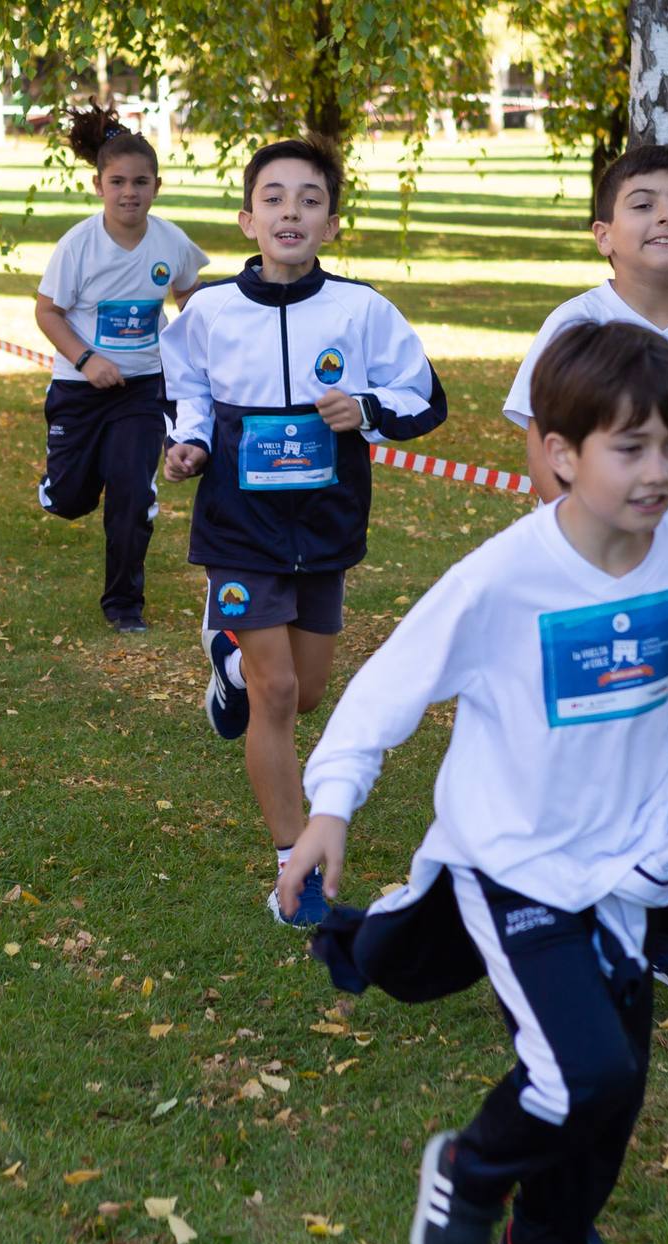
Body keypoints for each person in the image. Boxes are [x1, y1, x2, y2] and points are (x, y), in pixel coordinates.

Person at [279, 322, 668, 1244]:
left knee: (615, 1095)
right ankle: (467, 1172)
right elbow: (381, 694)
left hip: (627, 867)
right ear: (557, 452)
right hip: (512, 862)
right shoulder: (503, 578)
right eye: (631, 448)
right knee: (582, 1075)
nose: (661, 471)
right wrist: (331, 809)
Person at [498, 143, 668, 1031]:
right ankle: (574, 915)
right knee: (594, 746)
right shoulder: (574, 324)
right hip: (589, 571)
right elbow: (540, 436)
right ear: (604, 234)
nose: (666, 219)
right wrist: (584, 537)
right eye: (642, 205)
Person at [158, 137, 445, 928]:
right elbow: (182, 390)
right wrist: (187, 445)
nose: (291, 211)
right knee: (276, 694)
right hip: (238, 525)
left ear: (332, 224)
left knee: (306, 690)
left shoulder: (361, 310)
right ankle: (295, 870)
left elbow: (425, 398)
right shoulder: (210, 310)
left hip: (324, 525)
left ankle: (228, 663)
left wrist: (369, 411)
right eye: (275, 198)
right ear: (248, 218)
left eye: (310, 199)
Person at [33, 103, 208, 634]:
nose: (129, 192)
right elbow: (47, 311)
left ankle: (124, 604)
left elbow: (189, 301)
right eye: (118, 182)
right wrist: (87, 360)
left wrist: (197, 353)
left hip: (142, 391)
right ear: (98, 185)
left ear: (158, 185)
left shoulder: (171, 243)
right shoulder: (78, 246)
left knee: (132, 494)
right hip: (79, 389)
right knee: (69, 500)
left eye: (140, 182)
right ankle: (59, 486)